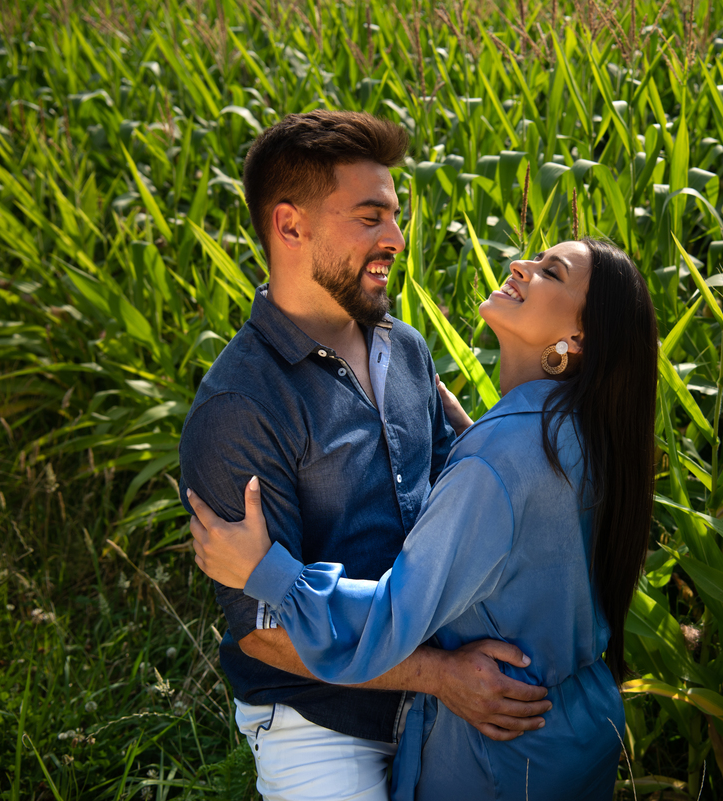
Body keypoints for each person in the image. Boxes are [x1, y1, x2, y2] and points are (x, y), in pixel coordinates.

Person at [188, 237, 659, 800]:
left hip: (502, 750)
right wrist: (473, 447)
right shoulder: (587, 437)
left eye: (550, 272)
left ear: (578, 337)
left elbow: (391, 619)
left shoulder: (500, 458)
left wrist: (269, 574)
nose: (520, 266)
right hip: (576, 727)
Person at [177, 110, 551, 801]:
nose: (397, 238)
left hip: (444, 686)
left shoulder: (403, 347)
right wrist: (441, 675)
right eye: (371, 217)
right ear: (291, 226)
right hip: (320, 719)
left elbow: (455, 491)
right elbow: (265, 632)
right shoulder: (240, 408)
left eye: (395, 216)